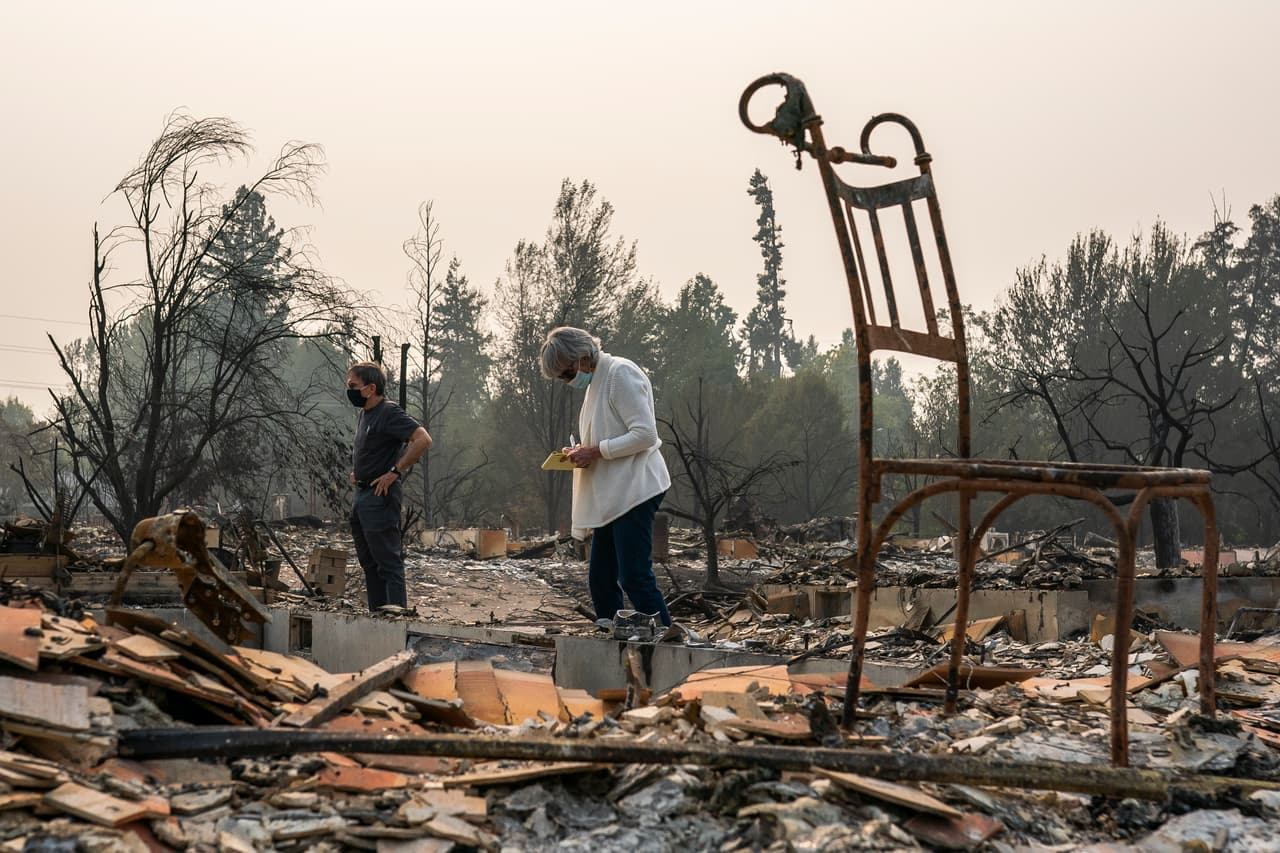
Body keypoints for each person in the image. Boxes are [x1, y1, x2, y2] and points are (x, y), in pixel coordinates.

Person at [539, 327, 672, 627]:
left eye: (566, 373)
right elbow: (607, 432)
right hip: (614, 494)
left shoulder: (620, 374)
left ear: (582, 357)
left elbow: (645, 434)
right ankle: (610, 635)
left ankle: (667, 639)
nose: (566, 380)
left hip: (636, 489)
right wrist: (580, 452)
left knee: (634, 576)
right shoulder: (596, 383)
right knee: (600, 578)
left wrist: (595, 452)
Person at [346, 361, 432, 612]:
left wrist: (394, 472)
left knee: (388, 563)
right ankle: (377, 616)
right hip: (361, 495)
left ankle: (395, 620)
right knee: (369, 564)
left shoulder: (389, 412)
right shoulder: (366, 414)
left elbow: (422, 439)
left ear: (371, 388)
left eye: (353, 386)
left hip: (379, 498)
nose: (349, 390)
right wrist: (359, 472)